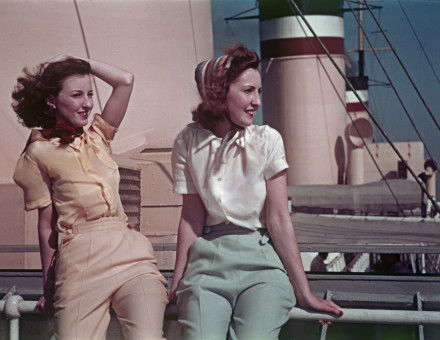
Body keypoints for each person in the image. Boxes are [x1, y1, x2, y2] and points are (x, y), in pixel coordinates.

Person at [169, 44, 342, 340]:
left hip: (261, 265)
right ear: (219, 92)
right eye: (248, 91)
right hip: (207, 264)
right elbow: (191, 218)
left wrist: (305, 293)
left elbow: (278, 220)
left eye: (259, 92)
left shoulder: (267, 140)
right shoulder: (188, 140)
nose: (257, 102)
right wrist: (176, 282)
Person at [12, 55, 168, 340]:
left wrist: (78, 61)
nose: (87, 103)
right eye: (76, 95)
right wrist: (49, 286)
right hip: (80, 260)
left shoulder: (98, 137)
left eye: (90, 95)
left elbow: (125, 81)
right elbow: (46, 225)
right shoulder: (37, 153)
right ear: (51, 100)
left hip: (131, 256)